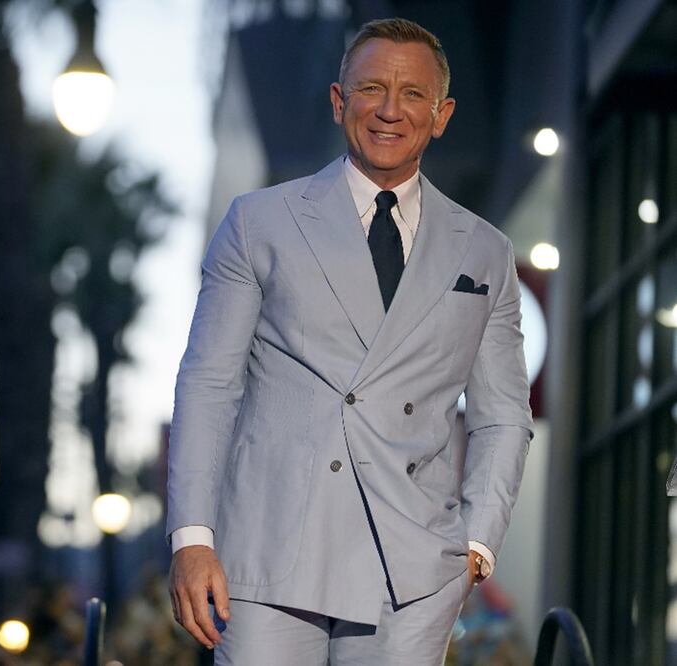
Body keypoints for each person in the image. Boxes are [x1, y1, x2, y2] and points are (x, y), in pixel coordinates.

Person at [166, 17, 532, 665]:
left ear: (441, 115)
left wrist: (476, 542)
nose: (390, 109)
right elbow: (209, 383)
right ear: (339, 102)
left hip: (415, 563)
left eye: (412, 94)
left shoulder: (484, 250)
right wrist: (192, 538)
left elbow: (503, 412)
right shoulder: (259, 223)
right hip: (271, 550)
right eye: (370, 88)